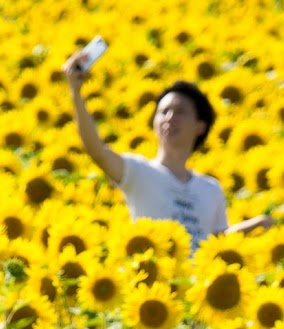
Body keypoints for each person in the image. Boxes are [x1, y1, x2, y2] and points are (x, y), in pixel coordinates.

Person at [63, 50, 228, 255]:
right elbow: (97, 150)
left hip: (196, 284)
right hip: (152, 281)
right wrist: (76, 94)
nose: (169, 118)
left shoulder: (211, 189)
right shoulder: (138, 172)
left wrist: (257, 226)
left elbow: (220, 242)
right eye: (163, 112)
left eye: (180, 111)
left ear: (200, 126)